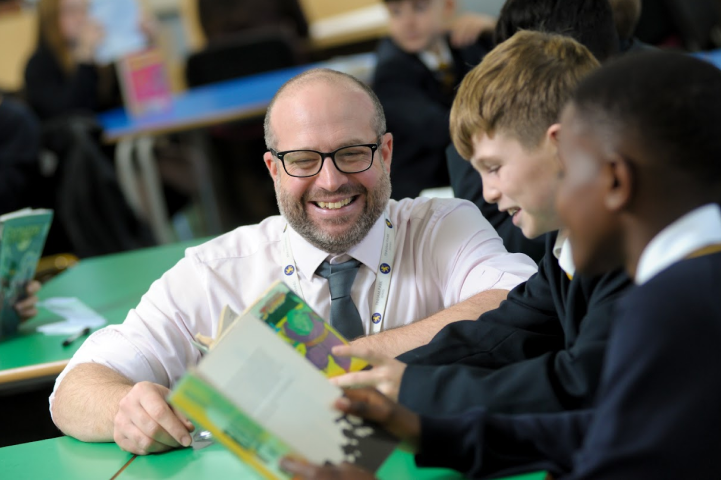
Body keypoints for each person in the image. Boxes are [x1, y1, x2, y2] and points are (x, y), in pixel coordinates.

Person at [282, 49, 721, 480]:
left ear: (613, 178)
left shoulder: (670, 302)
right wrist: (424, 428)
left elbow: (601, 430)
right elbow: (604, 429)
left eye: (570, 170)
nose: (488, 194)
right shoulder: (676, 284)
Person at [49, 68, 538, 455]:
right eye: (303, 160)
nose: (329, 182)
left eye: (351, 154)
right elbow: (75, 385)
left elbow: (524, 303)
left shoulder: (443, 226)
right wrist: (126, 410)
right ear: (273, 168)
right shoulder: (216, 270)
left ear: (386, 155)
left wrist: (330, 365)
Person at [330, 31, 631, 415]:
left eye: (494, 168)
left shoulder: (628, 252)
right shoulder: (567, 249)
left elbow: (580, 382)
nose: (487, 193)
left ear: (562, 145)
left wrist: (414, 389)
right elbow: (503, 331)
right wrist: (381, 373)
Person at [447, 0, 619, 263]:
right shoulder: (563, 239)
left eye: (493, 168)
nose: (488, 193)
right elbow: (526, 304)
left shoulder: (618, 258)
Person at [373, 0, 496, 199]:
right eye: (396, 12)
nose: (408, 22)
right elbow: (440, 129)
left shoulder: (465, 42)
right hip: (424, 188)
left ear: (448, 6)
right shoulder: (391, 70)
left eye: (420, 8)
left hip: (470, 171)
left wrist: (494, 28)